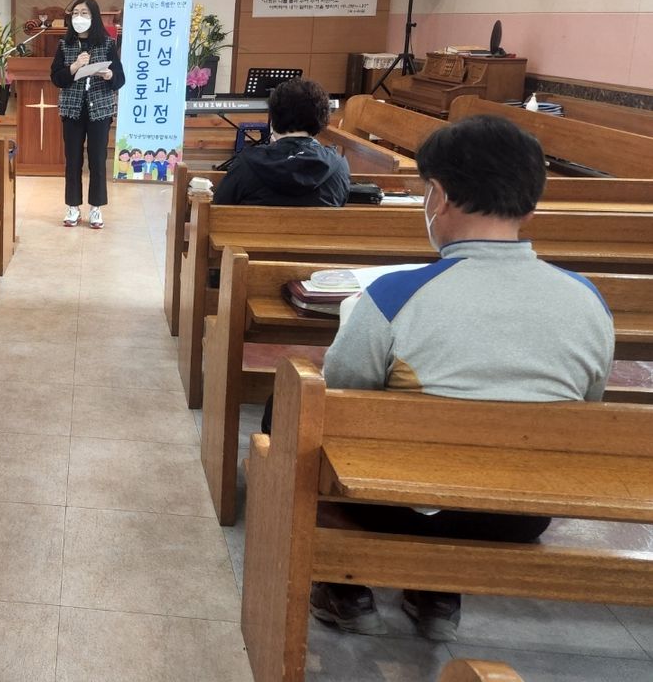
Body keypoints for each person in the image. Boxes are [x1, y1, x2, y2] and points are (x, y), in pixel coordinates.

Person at [309, 115, 614, 642]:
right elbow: (588, 406)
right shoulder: (588, 301)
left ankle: (344, 583)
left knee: (294, 412)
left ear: (440, 196)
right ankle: (437, 592)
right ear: (530, 204)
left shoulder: (394, 297)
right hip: (520, 514)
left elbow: (340, 398)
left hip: (401, 506)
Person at [49, 0, 126, 228]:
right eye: (75, 13)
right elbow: (56, 78)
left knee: (97, 160)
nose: (78, 17)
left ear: (93, 17)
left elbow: (120, 79)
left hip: (99, 110)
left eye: (84, 13)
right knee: (72, 160)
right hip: (72, 110)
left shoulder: (107, 44)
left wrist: (109, 75)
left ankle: (96, 208)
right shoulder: (65, 45)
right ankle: (73, 207)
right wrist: (74, 67)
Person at [211, 78, 349, 207]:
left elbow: (219, 208)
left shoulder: (247, 164)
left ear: (273, 118)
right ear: (322, 117)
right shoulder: (338, 166)